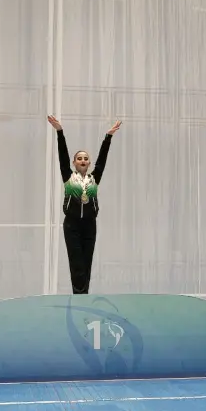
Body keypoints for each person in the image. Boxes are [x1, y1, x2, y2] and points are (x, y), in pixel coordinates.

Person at [47, 115, 121, 294]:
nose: (82, 160)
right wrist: (59, 132)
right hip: (72, 225)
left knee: (87, 262)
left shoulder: (94, 178)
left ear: (88, 163)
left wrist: (108, 137)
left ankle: (84, 296)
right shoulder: (68, 177)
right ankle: (78, 297)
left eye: (85, 158)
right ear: (74, 163)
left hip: (89, 225)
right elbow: (62, 156)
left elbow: (102, 160)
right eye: (79, 158)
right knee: (77, 263)